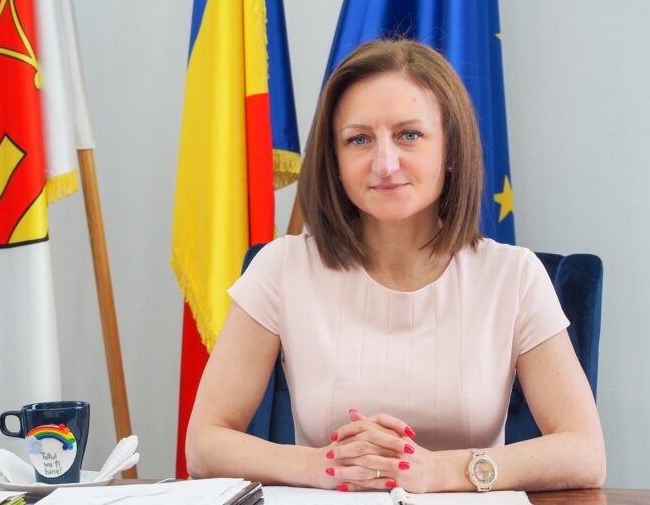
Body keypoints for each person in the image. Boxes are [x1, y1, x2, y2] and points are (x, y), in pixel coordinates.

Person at [185, 39, 605, 493]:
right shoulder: (282, 268)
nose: (384, 164)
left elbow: (584, 453)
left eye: (409, 135)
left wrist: (442, 471)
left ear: (451, 150)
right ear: (334, 159)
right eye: (359, 139)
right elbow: (204, 444)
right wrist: (321, 466)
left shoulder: (514, 276)